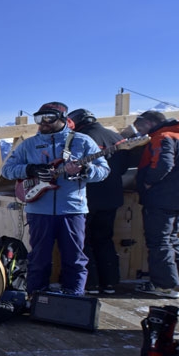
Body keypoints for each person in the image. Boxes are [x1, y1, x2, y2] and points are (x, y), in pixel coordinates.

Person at [1, 102, 109, 297]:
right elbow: (7, 170)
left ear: (62, 118)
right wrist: (30, 169)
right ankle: (35, 297)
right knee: (38, 258)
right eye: (39, 118)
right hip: (38, 209)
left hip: (72, 209)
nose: (43, 123)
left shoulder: (83, 142)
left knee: (75, 258)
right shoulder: (28, 145)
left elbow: (103, 171)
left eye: (49, 118)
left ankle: (73, 297)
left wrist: (85, 170)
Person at [131, 110, 179, 297]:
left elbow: (163, 164)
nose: (140, 133)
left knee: (159, 242)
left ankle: (166, 286)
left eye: (140, 128)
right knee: (172, 239)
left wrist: (148, 182)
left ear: (148, 123)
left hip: (162, 198)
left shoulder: (163, 137)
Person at [68, 108, 127, 295]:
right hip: (112, 197)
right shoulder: (115, 137)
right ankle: (109, 282)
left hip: (88, 197)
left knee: (82, 240)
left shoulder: (80, 139)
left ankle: (90, 283)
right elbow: (125, 167)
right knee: (104, 239)